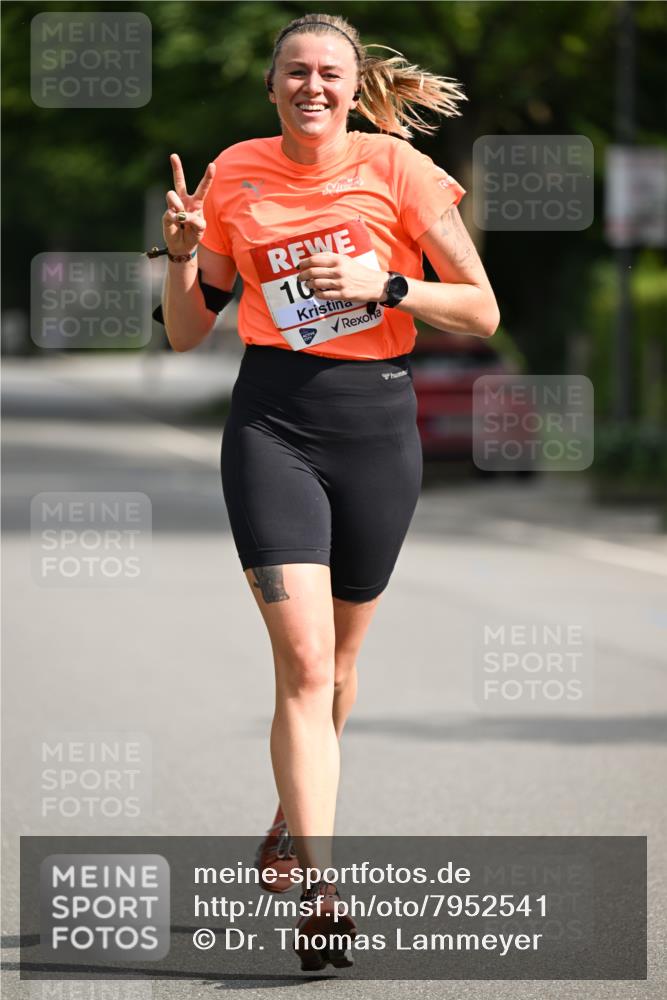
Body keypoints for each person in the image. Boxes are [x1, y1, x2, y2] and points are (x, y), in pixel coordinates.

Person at [157, 12, 499, 971]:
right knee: (305, 664)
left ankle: (286, 826)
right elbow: (187, 332)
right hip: (272, 422)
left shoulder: (401, 173)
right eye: (294, 72)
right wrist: (183, 252)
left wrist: (385, 283)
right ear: (271, 88)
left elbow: (480, 310)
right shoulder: (234, 173)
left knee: (342, 668)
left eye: (330, 74)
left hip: (377, 426)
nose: (312, 86)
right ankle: (321, 892)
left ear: (355, 89)